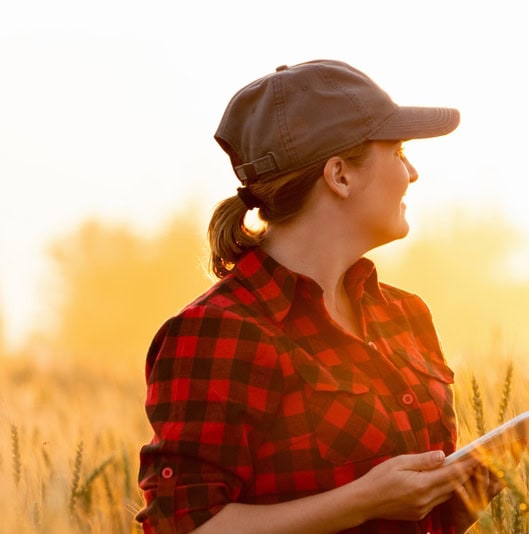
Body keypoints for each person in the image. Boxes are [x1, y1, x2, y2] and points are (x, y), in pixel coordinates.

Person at [137, 59, 501, 533]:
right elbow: (183, 527)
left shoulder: (405, 315)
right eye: (398, 152)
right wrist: (364, 501)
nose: (412, 174)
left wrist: (471, 480)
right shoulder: (219, 331)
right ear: (340, 176)